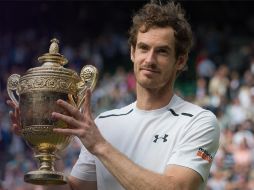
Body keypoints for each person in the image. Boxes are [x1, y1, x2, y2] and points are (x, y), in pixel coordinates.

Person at [7, 1, 220, 189]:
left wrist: (100, 146)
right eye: (143, 48)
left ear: (180, 61)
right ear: (132, 52)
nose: (150, 59)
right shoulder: (104, 123)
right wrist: (49, 152)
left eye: (162, 51)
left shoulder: (199, 122)